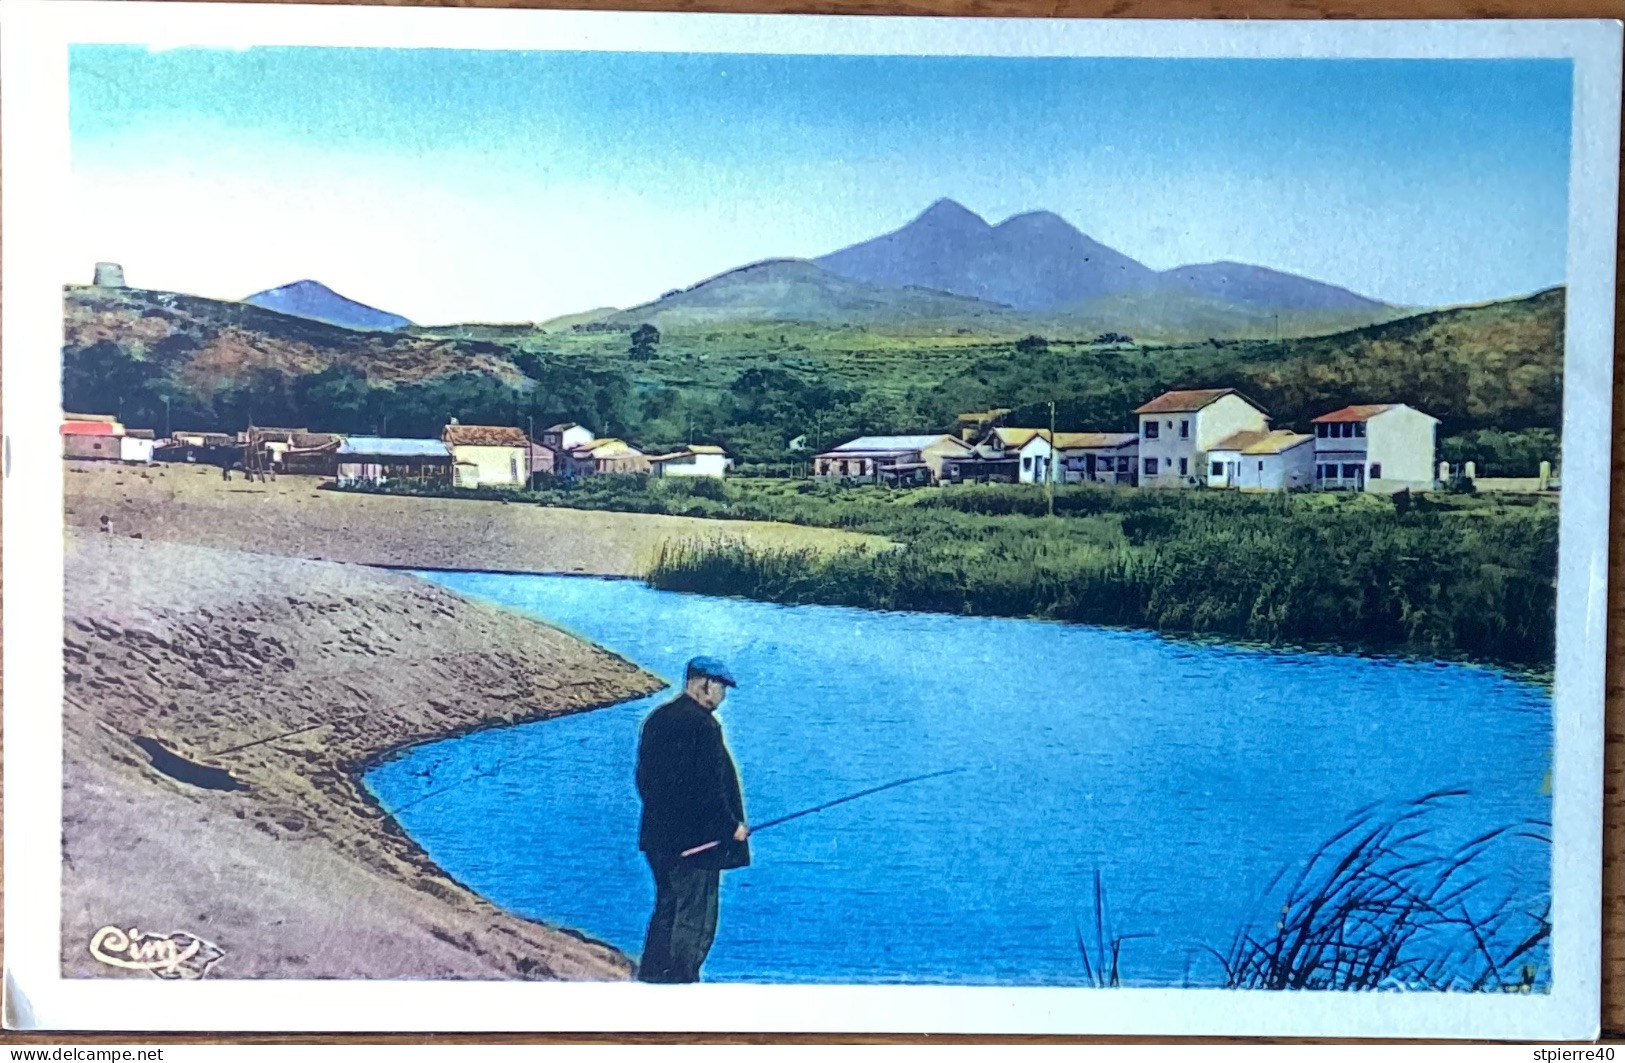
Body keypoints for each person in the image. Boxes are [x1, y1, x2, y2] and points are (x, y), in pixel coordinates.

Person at [633, 656, 750, 983]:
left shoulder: (657, 719)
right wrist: (731, 828)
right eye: (722, 687)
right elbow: (709, 789)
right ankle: (681, 985)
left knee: (667, 909)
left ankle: (652, 980)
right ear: (704, 684)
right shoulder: (704, 726)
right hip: (700, 844)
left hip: (659, 840)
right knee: (695, 918)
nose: (723, 695)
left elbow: (644, 780)